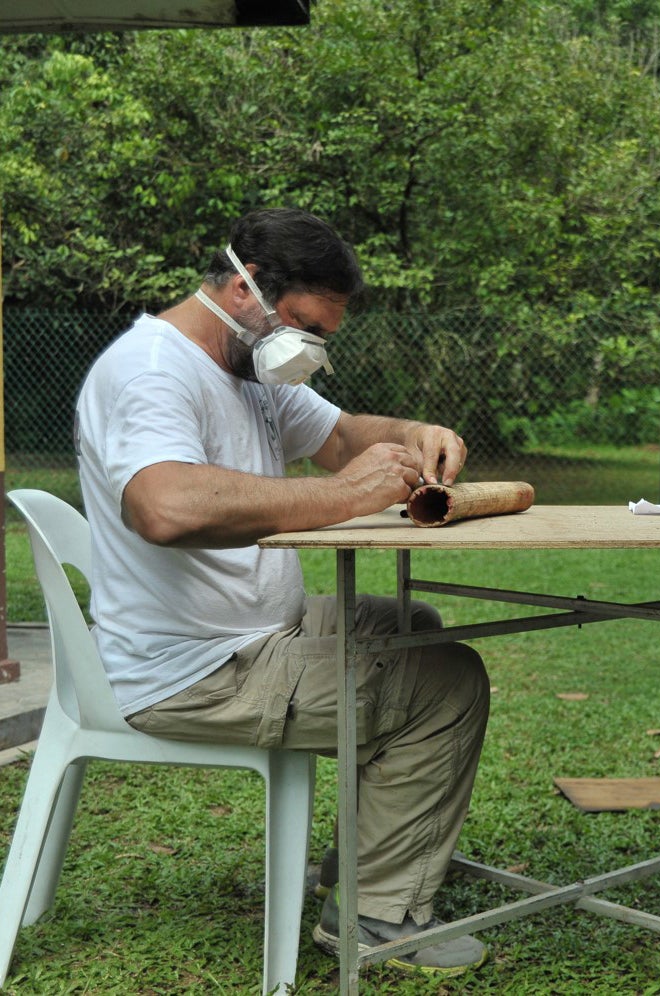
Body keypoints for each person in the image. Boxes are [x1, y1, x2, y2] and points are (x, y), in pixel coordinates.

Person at [74, 208, 491, 977]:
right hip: (195, 667)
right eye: (302, 325)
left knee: (414, 625)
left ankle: (365, 864)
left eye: (321, 333)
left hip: (244, 632)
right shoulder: (153, 372)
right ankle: (375, 915)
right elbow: (162, 507)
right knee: (449, 683)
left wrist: (412, 432)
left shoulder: (250, 366)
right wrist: (348, 497)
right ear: (245, 286)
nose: (308, 346)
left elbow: (338, 440)